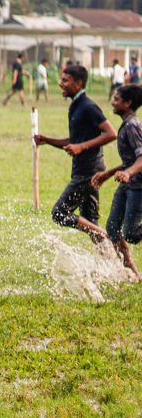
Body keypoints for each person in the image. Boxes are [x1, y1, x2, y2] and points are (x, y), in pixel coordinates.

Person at [34, 65, 117, 243]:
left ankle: (107, 236)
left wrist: (82, 147)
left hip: (89, 173)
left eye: (65, 80)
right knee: (91, 221)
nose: (60, 84)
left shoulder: (88, 106)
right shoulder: (75, 107)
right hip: (84, 170)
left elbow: (111, 133)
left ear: (78, 84)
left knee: (59, 213)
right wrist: (47, 140)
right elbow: (74, 141)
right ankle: (114, 266)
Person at [89, 85, 142, 279]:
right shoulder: (126, 125)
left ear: (127, 104)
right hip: (127, 183)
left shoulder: (133, 126)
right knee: (112, 229)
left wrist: (128, 173)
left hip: (138, 186)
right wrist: (108, 174)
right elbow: (129, 160)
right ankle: (132, 272)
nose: (113, 101)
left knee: (131, 234)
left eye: (117, 99)